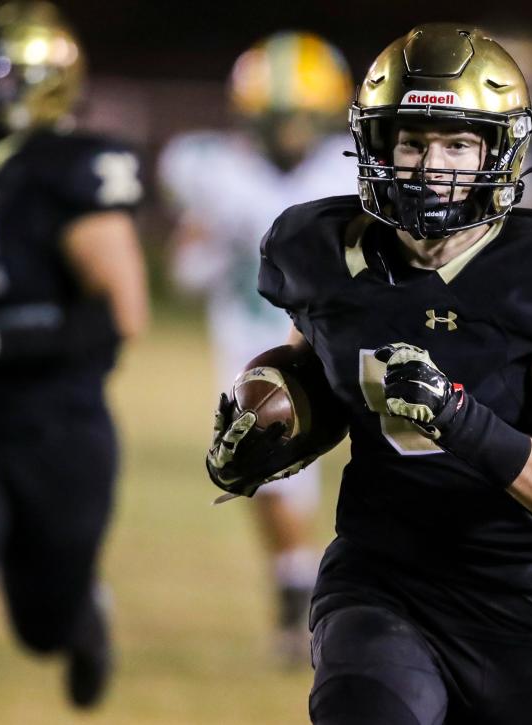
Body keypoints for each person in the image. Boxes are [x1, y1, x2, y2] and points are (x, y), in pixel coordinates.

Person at [205, 23, 532, 724]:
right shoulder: (320, 249)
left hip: (513, 600)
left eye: (459, 143)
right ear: (378, 145)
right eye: (412, 141)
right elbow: (315, 380)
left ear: (500, 151)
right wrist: (267, 433)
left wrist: (459, 418)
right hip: (380, 578)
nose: (432, 165)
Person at [0, 1, 147, 719]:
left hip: (54, 425)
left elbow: (121, 313)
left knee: (42, 625)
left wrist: (2, 340)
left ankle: (82, 614)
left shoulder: (70, 169)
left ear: (41, 83)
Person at [158, 31, 355, 665]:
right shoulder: (217, 170)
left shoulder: (348, 169)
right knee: (265, 463)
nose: (291, 132)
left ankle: (327, 587)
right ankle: (298, 582)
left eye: (301, 117)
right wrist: (203, 242)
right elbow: (187, 271)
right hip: (249, 334)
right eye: (278, 118)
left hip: (340, 335)